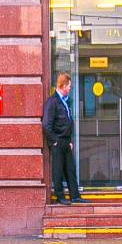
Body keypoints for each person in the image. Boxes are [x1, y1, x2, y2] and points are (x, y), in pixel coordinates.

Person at [42, 73, 87, 205]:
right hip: (58, 141)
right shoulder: (52, 101)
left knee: (70, 169)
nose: (70, 88)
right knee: (58, 170)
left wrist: (69, 140)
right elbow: (46, 125)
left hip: (65, 141)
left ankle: (75, 196)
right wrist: (55, 140)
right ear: (63, 86)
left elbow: (66, 121)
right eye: (69, 86)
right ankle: (60, 197)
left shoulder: (64, 100)